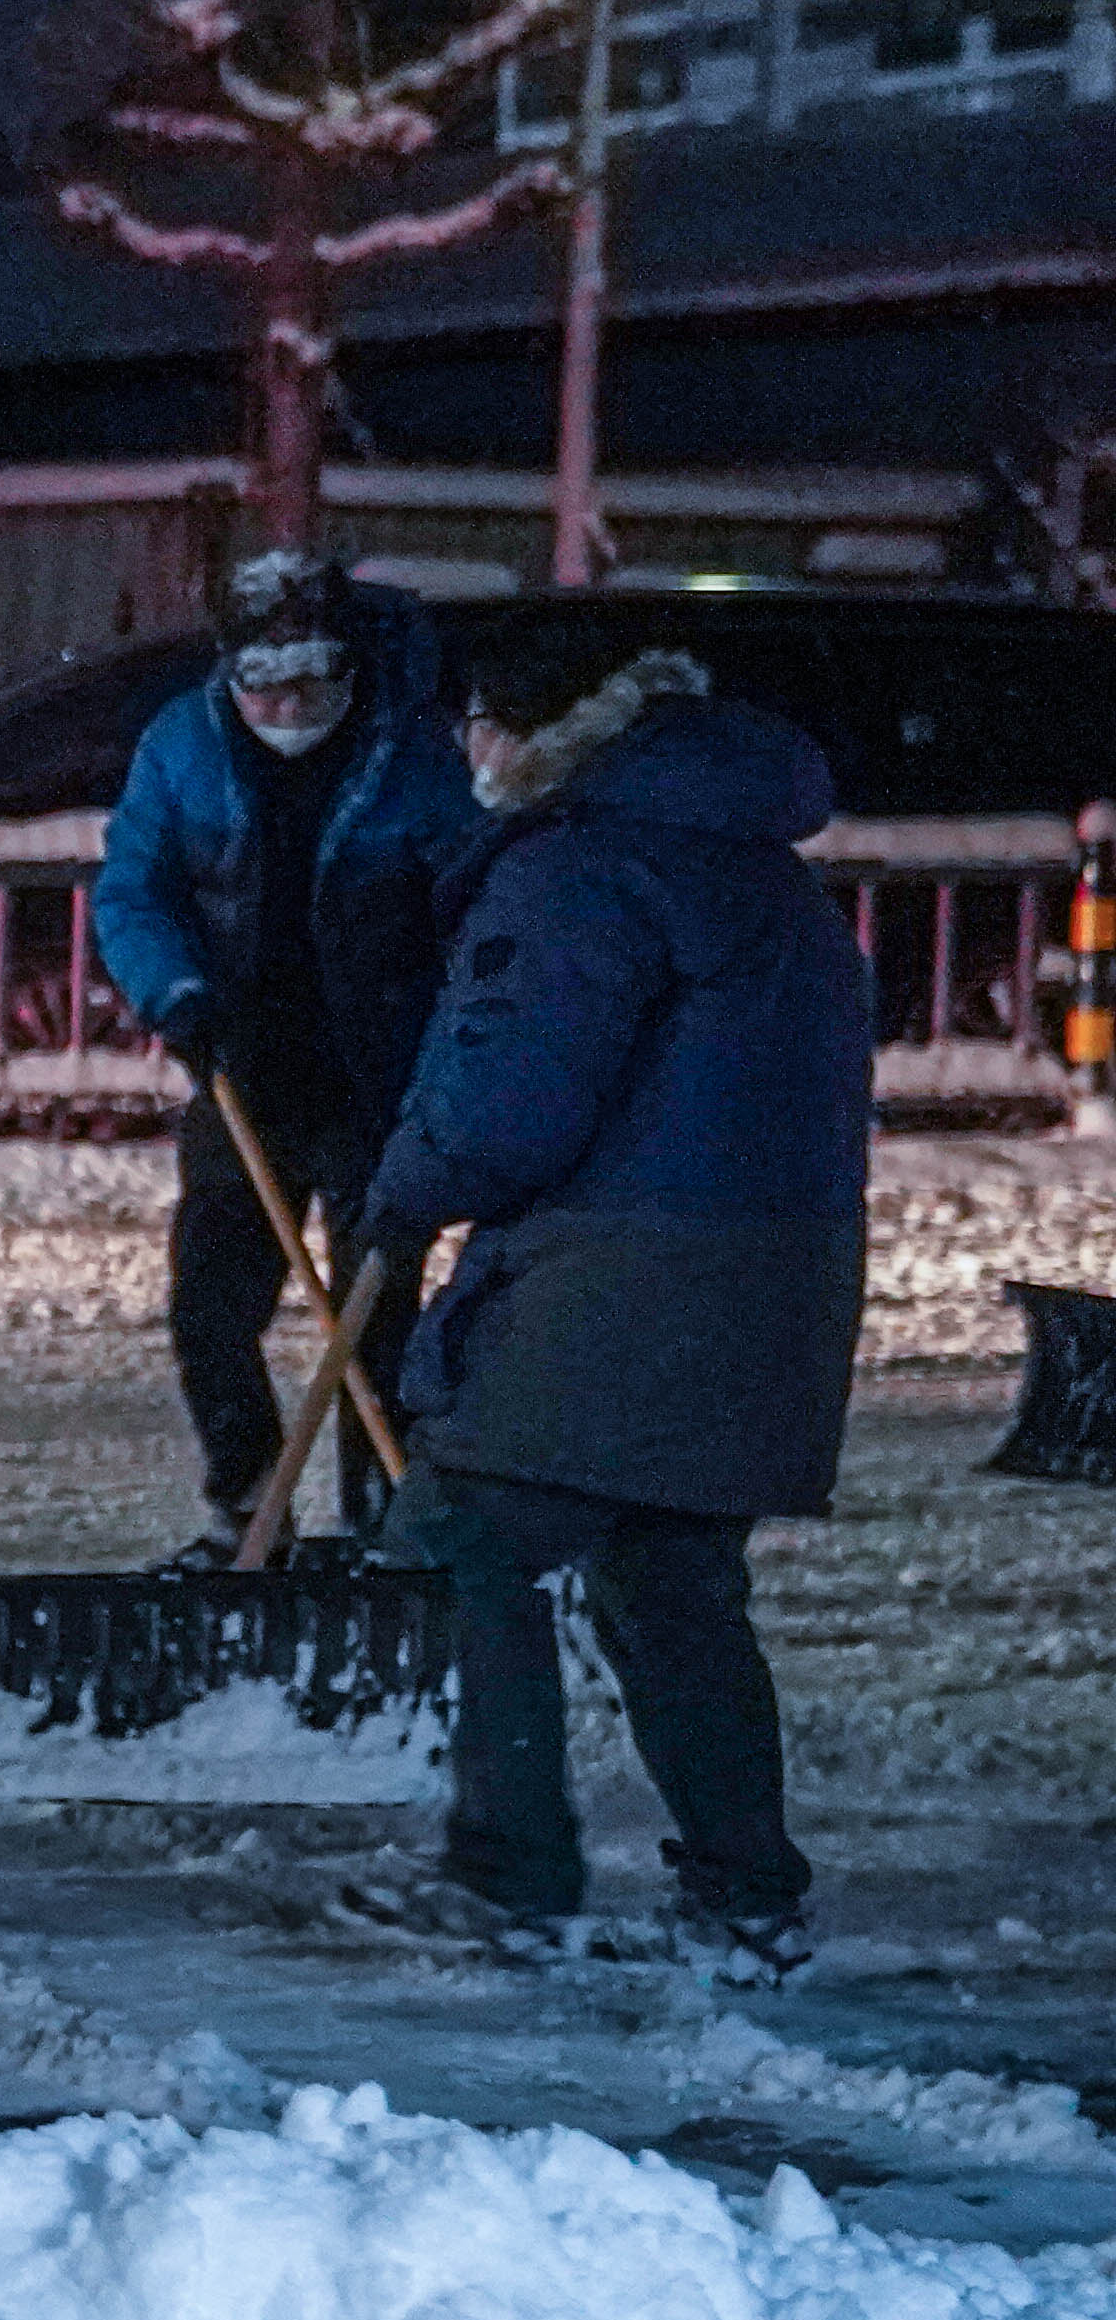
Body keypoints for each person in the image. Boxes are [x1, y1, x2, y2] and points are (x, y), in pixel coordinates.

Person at [354, 635, 871, 1974]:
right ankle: (746, 1895)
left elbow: (508, 1097)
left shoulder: (579, 866)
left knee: (460, 1530)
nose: (467, 750)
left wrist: (408, 1190)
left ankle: (509, 1879)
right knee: (673, 1572)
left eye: (481, 722)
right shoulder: (762, 869)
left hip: (629, 1266)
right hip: (783, 1273)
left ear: (548, 733)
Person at [92, 550, 478, 1552]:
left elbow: (469, 907)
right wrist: (174, 992)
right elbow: (135, 889)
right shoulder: (182, 748)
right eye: (266, 685)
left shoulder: (416, 759)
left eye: (312, 682)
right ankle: (246, 1503)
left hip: (375, 1077)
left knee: (374, 1312)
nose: (289, 706)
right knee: (211, 1305)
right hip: (240, 1068)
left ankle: (383, 1513)